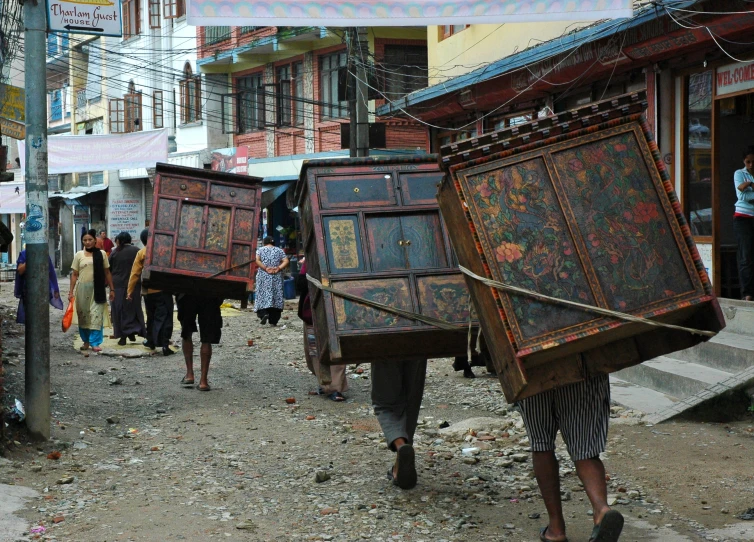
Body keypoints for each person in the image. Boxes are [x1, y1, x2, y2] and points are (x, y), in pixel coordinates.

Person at [518, 373, 623, 542]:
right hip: (581, 364)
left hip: (532, 369)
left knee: (541, 444)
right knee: (585, 449)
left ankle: (556, 529)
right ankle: (601, 510)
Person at [296, 259, 348, 401]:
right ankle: (332, 386)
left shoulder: (311, 258)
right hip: (336, 310)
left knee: (319, 348)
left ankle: (331, 386)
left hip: (315, 311)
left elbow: (300, 283)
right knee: (334, 346)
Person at [372, 359, 427, 490]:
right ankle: (399, 465)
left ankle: (400, 445)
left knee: (384, 405)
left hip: (384, 344)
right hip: (421, 343)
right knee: (411, 402)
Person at [127, 229, 175, 356]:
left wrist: (130, 291)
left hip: (148, 291)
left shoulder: (142, 252)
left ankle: (151, 341)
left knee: (151, 317)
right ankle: (164, 345)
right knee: (165, 318)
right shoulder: (163, 250)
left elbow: (135, 273)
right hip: (163, 290)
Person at [69, 229, 115, 352]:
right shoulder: (79, 255)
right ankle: (86, 341)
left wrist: (112, 289)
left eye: (90, 240)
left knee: (96, 315)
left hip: (98, 289)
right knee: (83, 316)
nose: (88, 242)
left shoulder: (102, 254)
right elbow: (74, 274)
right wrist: (70, 292)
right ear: (82, 241)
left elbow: (107, 272)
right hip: (83, 290)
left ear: (95, 240)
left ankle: (95, 342)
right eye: (85, 240)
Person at [177, 293, 223, 391]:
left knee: (186, 333)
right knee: (206, 339)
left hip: (187, 293)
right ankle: (203, 381)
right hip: (210, 293)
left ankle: (189, 374)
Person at [110, 232, 145, 346]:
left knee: (119, 310)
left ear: (119, 241)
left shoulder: (115, 252)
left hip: (118, 285)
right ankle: (133, 331)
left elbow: (108, 268)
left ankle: (122, 336)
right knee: (134, 309)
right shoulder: (137, 250)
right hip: (134, 285)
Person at [14, 249, 64, 324]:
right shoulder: (24, 254)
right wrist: (31, 259)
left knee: (41, 315)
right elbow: (20, 271)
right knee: (29, 316)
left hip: (42, 289)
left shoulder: (44, 254)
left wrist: (55, 289)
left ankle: (41, 333)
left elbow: (51, 274)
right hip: (28, 290)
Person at [734, 146, 754, 301]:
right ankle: (747, 293)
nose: (751, 165)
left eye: (753, 162)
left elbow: (746, 193)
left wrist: (748, 186)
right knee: (745, 256)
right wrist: (747, 187)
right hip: (743, 218)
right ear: (744, 161)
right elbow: (742, 197)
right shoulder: (739, 174)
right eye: (748, 162)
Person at [254, 236, 289, 326]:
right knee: (276, 295)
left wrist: (265, 268)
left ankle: (263, 313)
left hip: (264, 276)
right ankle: (274, 320)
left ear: (264, 242)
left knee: (262, 294)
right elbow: (286, 260)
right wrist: (278, 268)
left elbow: (257, 260)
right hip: (276, 276)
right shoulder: (279, 250)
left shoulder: (260, 250)